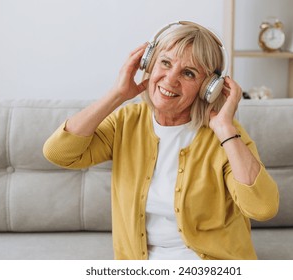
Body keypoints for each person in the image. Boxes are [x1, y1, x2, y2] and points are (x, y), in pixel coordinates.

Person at [43, 21, 279, 260]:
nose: (170, 79)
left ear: (208, 87)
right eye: (165, 63)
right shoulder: (126, 122)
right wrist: (118, 94)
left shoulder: (226, 136)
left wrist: (225, 129)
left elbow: (262, 208)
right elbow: (58, 153)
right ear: (149, 63)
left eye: (189, 73)